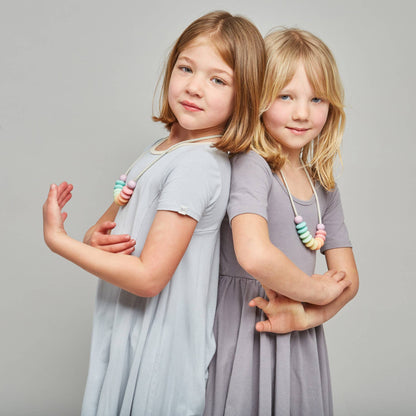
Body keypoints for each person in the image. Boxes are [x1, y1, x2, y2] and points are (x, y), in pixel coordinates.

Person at [42, 11, 267, 415]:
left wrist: (59, 241)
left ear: (244, 96)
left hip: (159, 348)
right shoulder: (162, 149)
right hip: (130, 330)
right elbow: (111, 224)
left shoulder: (197, 164)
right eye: (186, 68)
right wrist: (94, 237)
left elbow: (148, 278)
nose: (195, 87)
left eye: (218, 80)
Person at [204, 28, 359, 416]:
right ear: (257, 98)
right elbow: (254, 256)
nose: (302, 113)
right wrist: (314, 290)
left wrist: (306, 315)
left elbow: (349, 280)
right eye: (285, 96)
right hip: (244, 325)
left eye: (316, 98)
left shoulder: (323, 184)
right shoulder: (252, 164)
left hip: (297, 330)